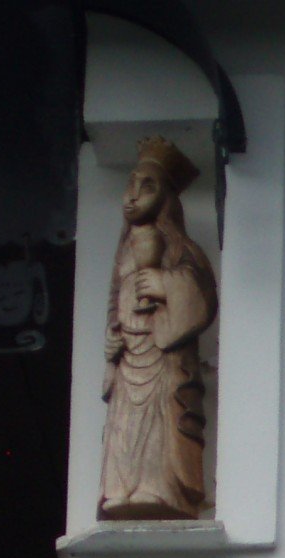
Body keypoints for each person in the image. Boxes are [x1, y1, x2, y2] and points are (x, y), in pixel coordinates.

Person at [100, 136, 218, 520]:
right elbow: (114, 302)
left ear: (166, 197)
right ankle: (120, 489)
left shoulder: (182, 249)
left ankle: (160, 488)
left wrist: (165, 284)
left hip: (164, 356)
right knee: (125, 420)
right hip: (129, 356)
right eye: (130, 185)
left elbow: (201, 297)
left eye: (146, 186)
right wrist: (112, 339)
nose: (132, 195)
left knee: (161, 417)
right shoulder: (122, 253)